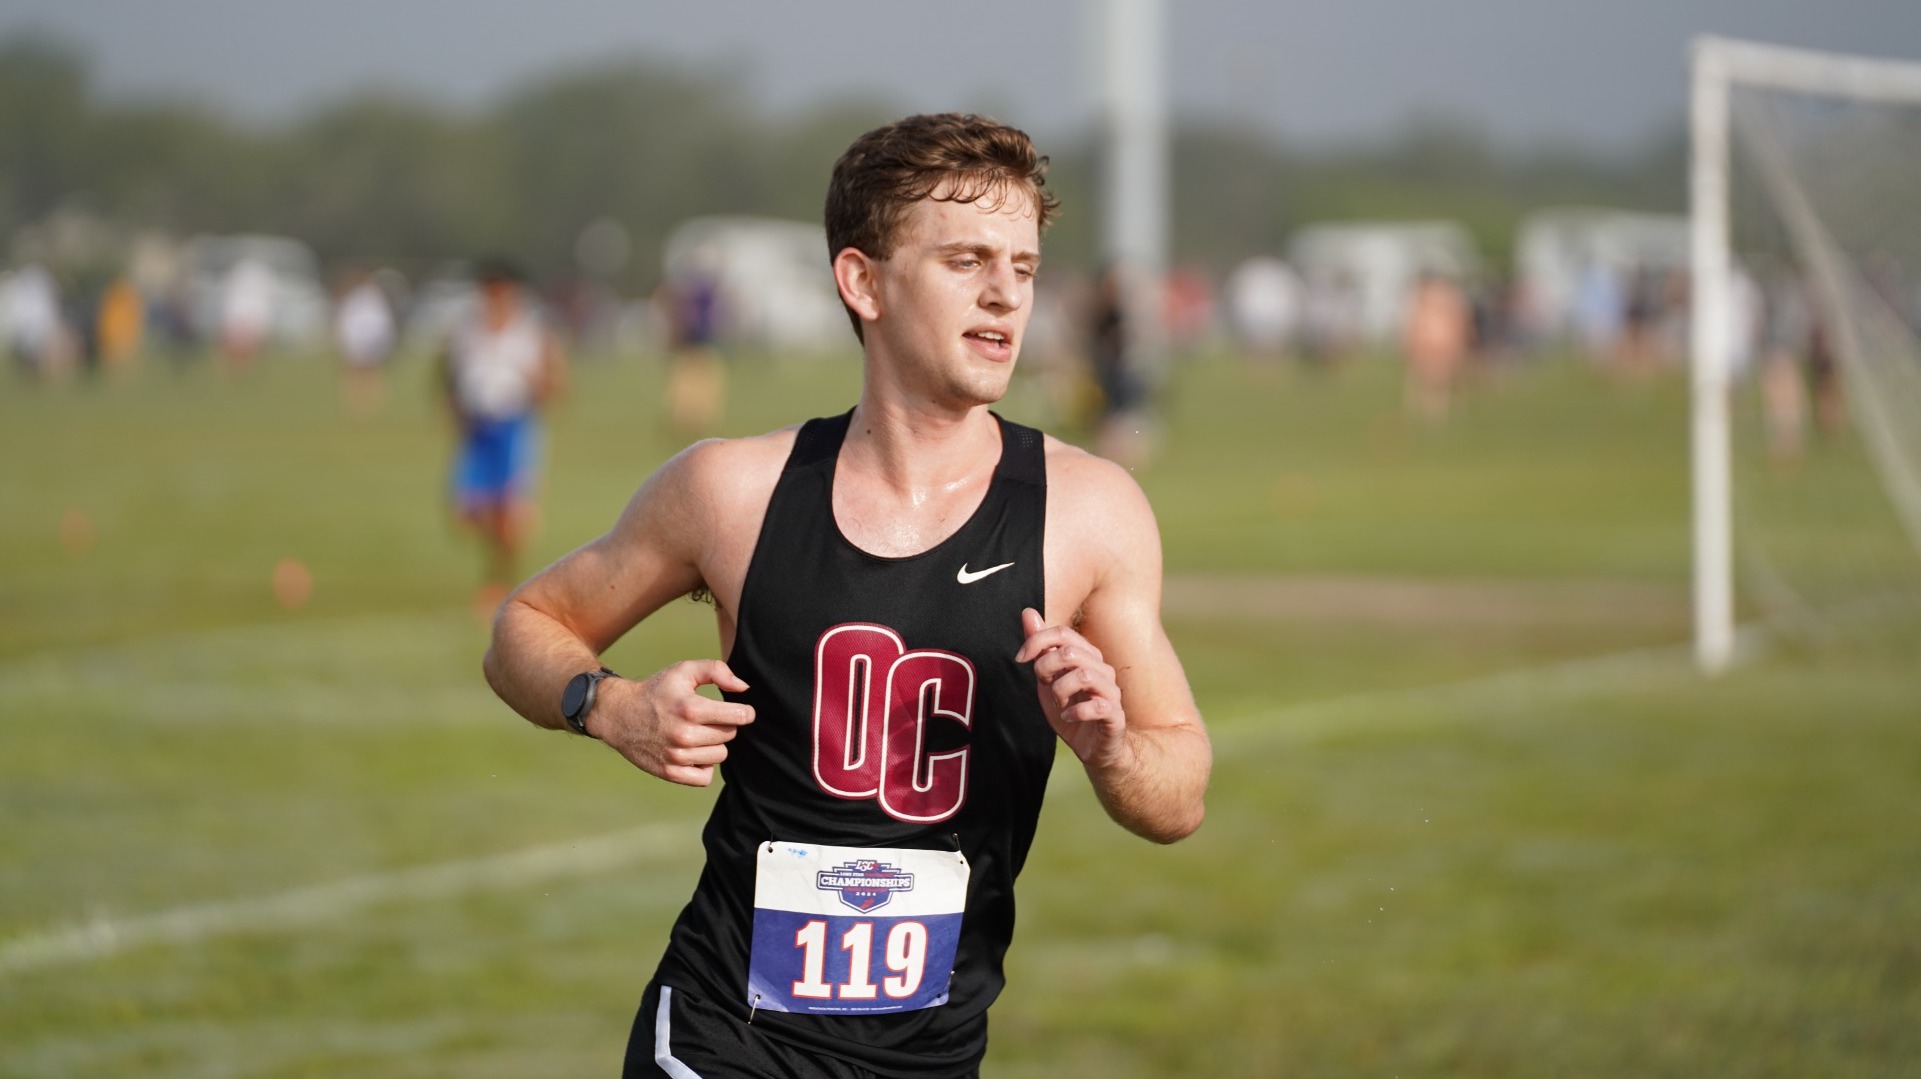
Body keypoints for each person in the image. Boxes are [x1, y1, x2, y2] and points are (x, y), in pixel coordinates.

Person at [482, 113, 1211, 1078]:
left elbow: (1180, 790)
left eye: (1024, 267)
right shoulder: (730, 493)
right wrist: (607, 704)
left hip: (933, 1054)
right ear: (862, 281)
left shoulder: (1088, 512)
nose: (1004, 294)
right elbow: (523, 627)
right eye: (965, 260)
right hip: (720, 1033)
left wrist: (1110, 747)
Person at [442, 258, 566, 615]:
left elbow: (556, 383)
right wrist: (453, 407)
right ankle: (501, 556)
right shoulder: (467, 331)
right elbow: (450, 375)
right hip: (477, 430)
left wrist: (538, 385)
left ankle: (499, 581)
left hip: (514, 427)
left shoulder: (530, 331)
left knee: (508, 517)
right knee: (467, 515)